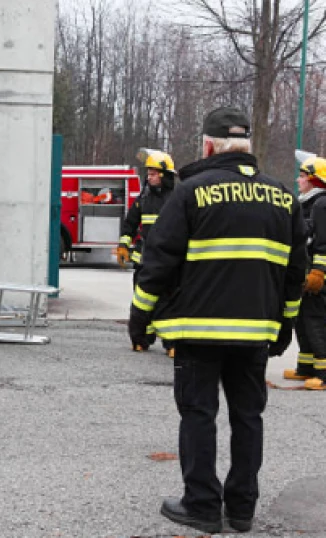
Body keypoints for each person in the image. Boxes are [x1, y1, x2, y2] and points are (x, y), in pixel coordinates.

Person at [128, 107, 307, 534]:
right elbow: (294, 273)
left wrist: (141, 319)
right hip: (255, 335)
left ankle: (203, 506)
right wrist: (284, 327)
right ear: (248, 146)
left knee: (198, 414)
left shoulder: (190, 192)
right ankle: (242, 509)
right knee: (249, 417)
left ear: (208, 145)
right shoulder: (283, 197)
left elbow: (158, 263)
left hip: (197, 331)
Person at [117, 149, 176, 356]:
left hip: (168, 260)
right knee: (141, 304)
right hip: (144, 260)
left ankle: (172, 343)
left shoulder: (177, 198)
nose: (149, 177)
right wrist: (124, 245)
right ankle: (141, 339)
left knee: (168, 302)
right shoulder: (144, 197)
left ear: (164, 175)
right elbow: (130, 223)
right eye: (148, 173)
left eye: (153, 173)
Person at [285, 152, 326, 390]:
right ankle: (306, 366)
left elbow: (322, 243)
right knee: (302, 320)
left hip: (318, 275)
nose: (298, 180)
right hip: (308, 270)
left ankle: (322, 373)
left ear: (315, 180)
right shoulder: (309, 202)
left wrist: (318, 272)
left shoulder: (321, 204)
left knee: (315, 320)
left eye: (302, 176)